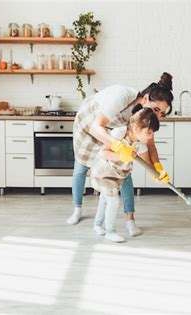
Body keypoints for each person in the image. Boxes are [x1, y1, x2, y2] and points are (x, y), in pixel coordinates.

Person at [67, 72, 174, 237]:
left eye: (162, 113)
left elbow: (149, 146)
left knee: (122, 171)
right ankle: (77, 209)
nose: (158, 116)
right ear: (145, 99)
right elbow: (96, 128)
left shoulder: (143, 119)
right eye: (156, 109)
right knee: (81, 167)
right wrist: (117, 146)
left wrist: (157, 170)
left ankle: (130, 219)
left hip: (112, 130)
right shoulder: (121, 95)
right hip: (90, 121)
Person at [92, 108, 159, 242]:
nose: (151, 136)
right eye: (149, 132)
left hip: (118, 175)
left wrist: (157, 173)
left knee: (105, 199)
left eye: (153, 133)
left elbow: (147, 163)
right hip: (104, 172)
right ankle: (110, 232)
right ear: (136, 128)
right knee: (113, 200)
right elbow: (103, 153)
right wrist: (120, 155)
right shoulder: (119, 133)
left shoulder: (140, 144)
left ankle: (97, 225)